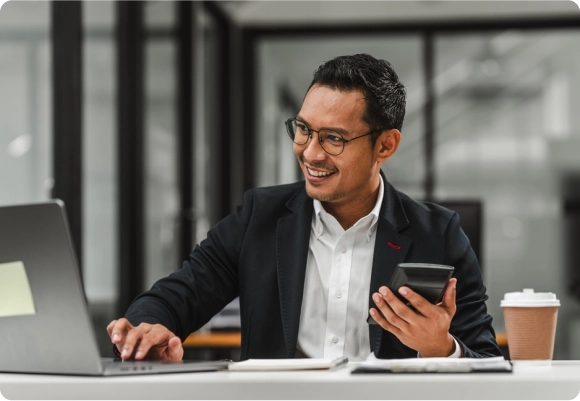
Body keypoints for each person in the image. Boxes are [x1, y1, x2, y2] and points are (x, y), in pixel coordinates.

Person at [107, 53, 501, 361]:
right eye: (303, 130)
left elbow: (486, 361)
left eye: (333, 138)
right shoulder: (259, 216)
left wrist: (441, 347)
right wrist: (146, 329)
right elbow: (177, 295)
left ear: (385, 146)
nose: (310, 153)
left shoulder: (439, 234)